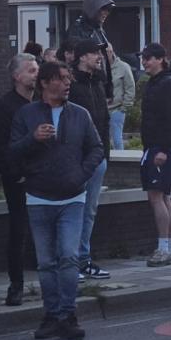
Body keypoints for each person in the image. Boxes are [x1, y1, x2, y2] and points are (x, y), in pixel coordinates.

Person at [11, 60, 105, 340]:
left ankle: (68, 314)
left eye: (69, 78)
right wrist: (33, 139)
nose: (67, 83)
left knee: (68, 256)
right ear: (45, 83)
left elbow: (96, 148)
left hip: (72, 197)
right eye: (62, 78)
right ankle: (51, 315)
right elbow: (12, 151)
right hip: (39, 198)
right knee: (46, 262)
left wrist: (81, 175)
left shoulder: (80, 114)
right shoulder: (26, 114)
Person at [0, 53, 39, 306]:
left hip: (43, 178)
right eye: (31, 70)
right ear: (17, 76)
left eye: (37, 69)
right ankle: (15, 284)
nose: (36, 74)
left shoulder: (42, 104)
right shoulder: (3, 108)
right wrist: (13, 173)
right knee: (18, 230)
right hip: (18, 180)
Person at [139, 43, 171, 267]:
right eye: (144, 59)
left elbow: (170, 119)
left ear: (160, 59)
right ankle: (170, 246)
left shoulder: (167, 84)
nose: (144, 62)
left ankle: (164, 248)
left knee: (156, 197)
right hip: (159, 147)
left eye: (148, 58)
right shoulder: (159, 82)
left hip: (162, 149)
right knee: (164, 197)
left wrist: (162, 150)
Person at [68, 39, 111, 281]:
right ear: (82, 56)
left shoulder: (98, 83)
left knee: (90, 210)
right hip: (78, 159)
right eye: (95, 53)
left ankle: (83, 258)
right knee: (76, 208)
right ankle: (71, 259)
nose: (99, 57)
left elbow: (103, 120)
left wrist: (105, 154)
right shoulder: (73, 85)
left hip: (97, 157)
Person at [65, 0, 115, 99]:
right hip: (84, 82)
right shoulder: (78, 28)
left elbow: (108, 60)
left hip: (97, 82)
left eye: (108, 10)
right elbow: (73, 56)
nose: (106, 13)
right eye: (103, 9)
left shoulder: (99, 30)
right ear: (94, 9)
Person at [107, 45, 135, 150]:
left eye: (106, 52)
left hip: (117, 109)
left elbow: (130, 88)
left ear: (111, 52)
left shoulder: (123, 67)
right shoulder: (99, 68)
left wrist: (124, 108)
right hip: (102, 110)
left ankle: (121, 164)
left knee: (117, 140)